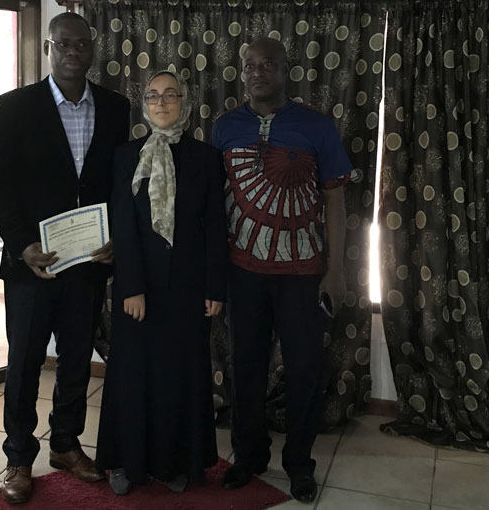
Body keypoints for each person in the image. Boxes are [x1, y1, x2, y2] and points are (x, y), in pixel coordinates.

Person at [0, 12, 130, 505]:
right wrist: (21, 244)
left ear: (93, 49)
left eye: (81, 44)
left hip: (87, 262)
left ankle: (66, 445)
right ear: (48, 48)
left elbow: (118, 182)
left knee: (76, 359)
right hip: (33, 264)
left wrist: (117, 237)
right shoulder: (15, 106)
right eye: (63, 44)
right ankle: (18, 457)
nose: (73, 52)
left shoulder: (115, 106)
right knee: (25, 363)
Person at [210, 38, 351, 504]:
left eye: (267, 64)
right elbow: (210, 201)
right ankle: (249, 456)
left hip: (303, 272)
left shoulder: (316, 127)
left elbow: (335, 198)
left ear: (286, 70)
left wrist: (335, 270)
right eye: (250, 65)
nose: (257, 72)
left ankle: (299, 463)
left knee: (304, 371)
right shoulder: (225, 128)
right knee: (245, 366)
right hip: (241, 271)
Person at [95, 70, 228, 495]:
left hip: (188, 290)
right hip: (139, 289)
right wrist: (131, 286)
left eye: (171, 94)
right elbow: (123, 225)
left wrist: (215, 288)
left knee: (179, 377)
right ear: (144, 104)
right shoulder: (126, 156)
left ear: (185, 101)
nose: (162, 102)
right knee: (131, 376)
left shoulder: (205, 158)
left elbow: (215, 227)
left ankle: (174, 462)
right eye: (153, 95)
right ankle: (125, 462)